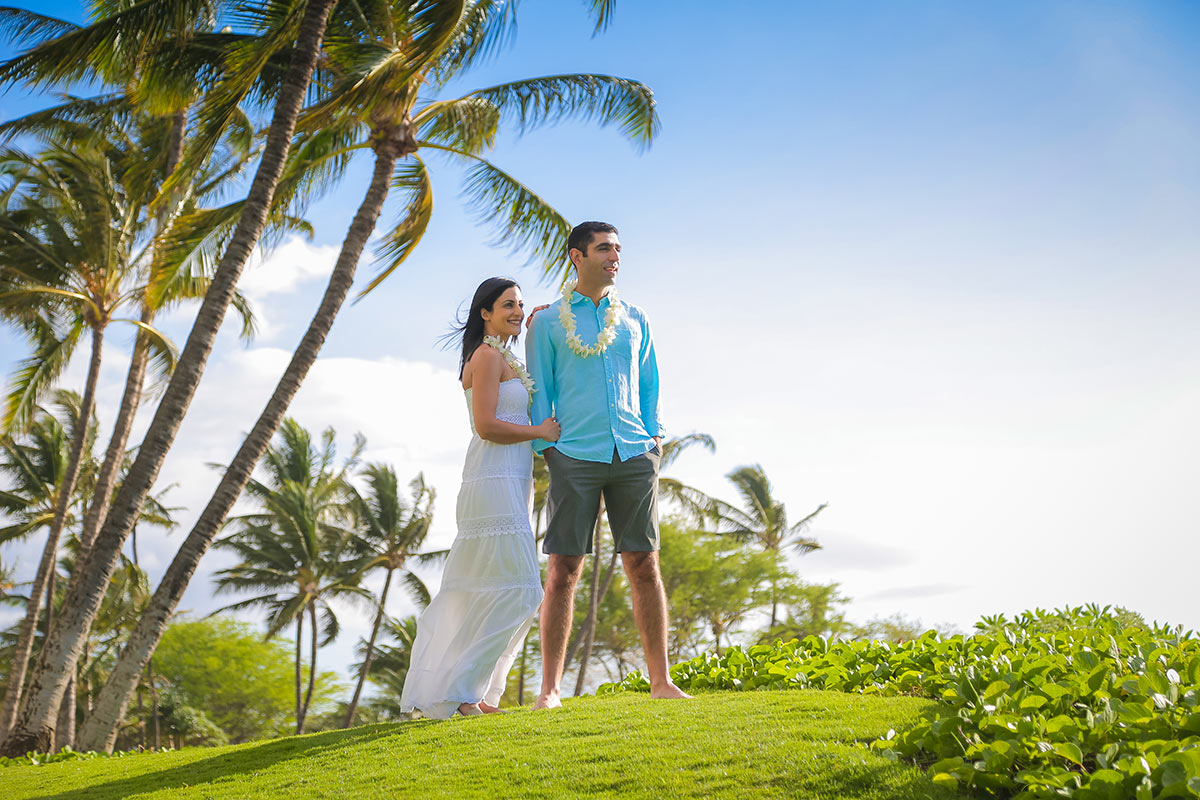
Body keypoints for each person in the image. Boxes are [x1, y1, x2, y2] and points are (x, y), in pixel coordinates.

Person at [527, 221, 691, 708]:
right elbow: (540, 386)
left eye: (618, 248)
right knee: (564, 569)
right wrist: (547, 449)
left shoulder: (636, 317)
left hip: (634, 453)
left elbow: (650, 381)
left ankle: (661, 683)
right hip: (574, 453)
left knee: (644, 564)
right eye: (604, 248)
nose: (614, 256)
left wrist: (654, 439)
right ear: (577, 256)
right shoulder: (548, 321)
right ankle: (550, 690)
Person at [401, 278, 561, 718]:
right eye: (507, 304)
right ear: (484, 313)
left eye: (520, 304)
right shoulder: (487, 357)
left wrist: (540, 319)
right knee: (522, 589)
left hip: (512, 479)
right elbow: (486, 426)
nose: (515, 310)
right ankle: (466, 692)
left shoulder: (504, 354)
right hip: (491, 477)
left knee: (501, 587)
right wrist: (540, 432)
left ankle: (474, 694)